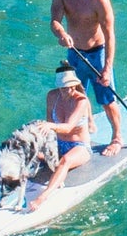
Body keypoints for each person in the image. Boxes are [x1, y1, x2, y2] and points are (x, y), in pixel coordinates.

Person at [50, 0, 123, 155]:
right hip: (74, 54)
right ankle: (89, 122)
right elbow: (55, 21)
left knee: (107, 100)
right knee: (75, 94)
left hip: (97, 54)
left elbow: (110, 36)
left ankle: (117, 138)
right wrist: (62, 34)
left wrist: (107, 69)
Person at [31, 63, 94, 212]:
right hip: (58, 143)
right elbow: (49, 123)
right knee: (31, 152)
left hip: (79, 146)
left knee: (64, 161)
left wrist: (49, 126)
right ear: (59, 86)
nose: (71, 90)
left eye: (73, 86)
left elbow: (69, 127)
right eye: (66, 87)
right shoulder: (52, 96)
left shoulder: (81, 101)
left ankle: (43, 196)